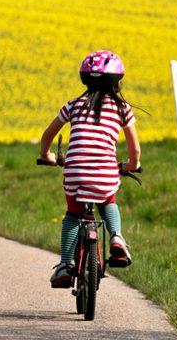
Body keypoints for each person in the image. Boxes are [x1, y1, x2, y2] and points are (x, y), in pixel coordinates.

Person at [38, 50, 141, 288]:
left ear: (85, 79)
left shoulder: (73, 105)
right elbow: (134, 150)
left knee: (73, 213)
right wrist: (131, 166)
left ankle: (65, 264)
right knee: (108, 201)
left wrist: (47, 155)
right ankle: (116, 237)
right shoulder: (122, 109)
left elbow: (47, 135)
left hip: (75, 172)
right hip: (105, 172)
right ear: (117, 82)